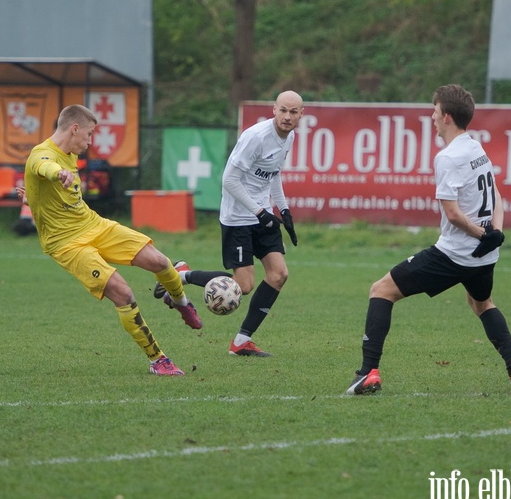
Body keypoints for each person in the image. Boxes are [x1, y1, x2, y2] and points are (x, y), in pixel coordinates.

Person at [345, 84, 511, 396]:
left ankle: (368, 373)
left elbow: (454, 214)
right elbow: (497, 195)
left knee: (380, 291)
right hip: (483, 257)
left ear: (446, 117)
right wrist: (495, 233)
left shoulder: (448, 157)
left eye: (434, 111)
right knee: (482, 302)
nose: (430, 116)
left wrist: (484, 234)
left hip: (454, 255)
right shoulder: (476, 148)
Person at [24, 104, 199, 376]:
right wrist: (57, 173)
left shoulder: (70, 153)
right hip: (67, 244)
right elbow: (41, 166)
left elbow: (54, 195)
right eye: (89, 134)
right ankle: (158, 360)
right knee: (123, 292)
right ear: (74, 129)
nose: (91, 141)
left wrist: (33, 197)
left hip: (93, 224)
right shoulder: (44, 154)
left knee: (159, 261)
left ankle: (181, 302)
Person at [218, 90, 302, 357]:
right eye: (283, 111)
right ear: (274, 110)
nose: (287, 117)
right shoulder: (255, 137)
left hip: (261, 213)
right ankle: (182, 274)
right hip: (238, 216)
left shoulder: (289, 137)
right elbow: (229, 181)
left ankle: (241, 341)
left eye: (293, 112)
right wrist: (259, 211)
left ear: (302, 114)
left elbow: (273, 175)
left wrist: (284, 209)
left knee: (279, 275)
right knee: (242, 287)